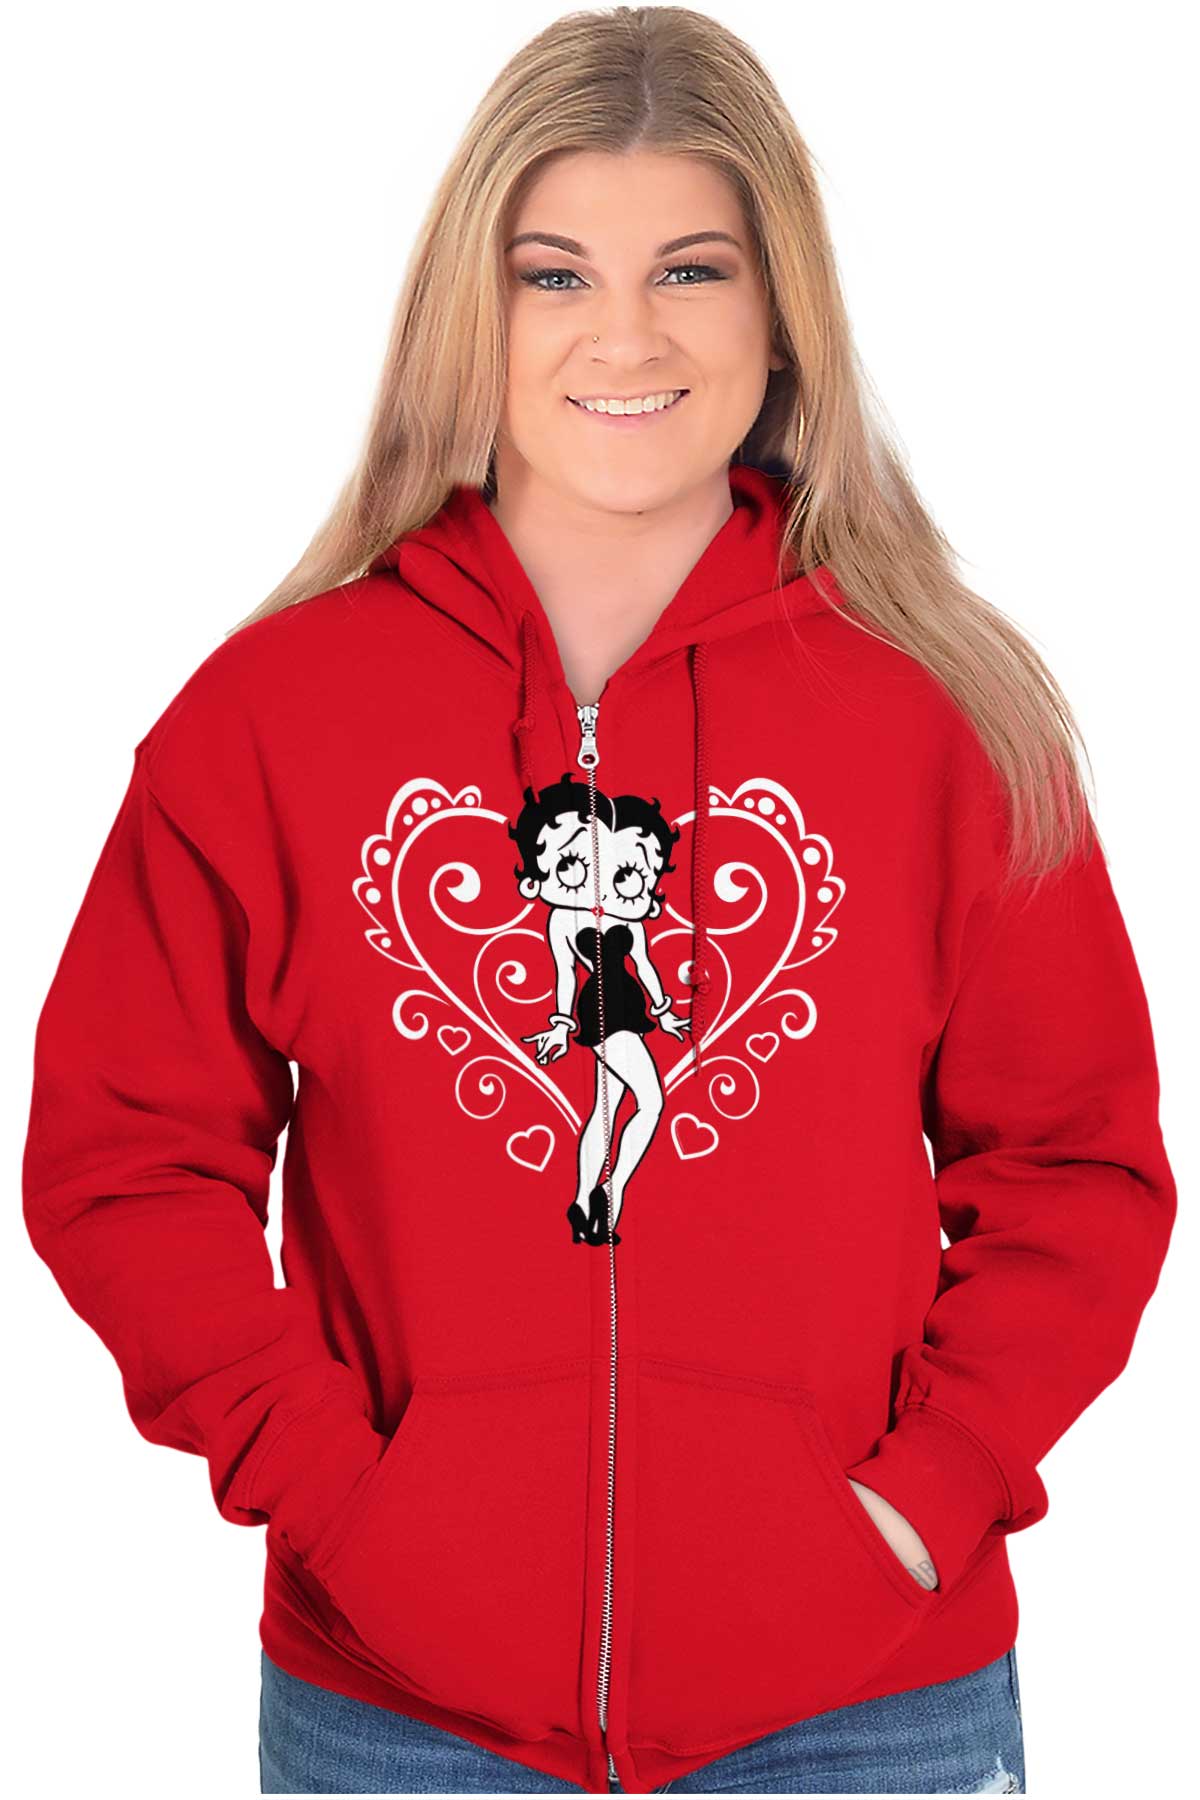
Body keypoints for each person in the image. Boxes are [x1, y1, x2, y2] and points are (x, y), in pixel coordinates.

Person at [21, 7, 1176, 1796]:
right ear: (466, 314)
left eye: (691, 270)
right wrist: (340, 1501)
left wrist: (918, 1505)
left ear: (782, 312)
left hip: (868, 1710)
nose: (622, 335)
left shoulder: (946, 711)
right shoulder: (270, 716)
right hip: (399, 1715)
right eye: (552, 273)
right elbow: (123, 1160)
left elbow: (1076, 1169)